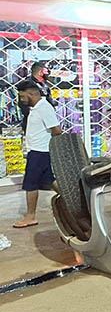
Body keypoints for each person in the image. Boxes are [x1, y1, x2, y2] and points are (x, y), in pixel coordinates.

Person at [14, 80, 61, 228]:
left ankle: (30, 216)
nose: (21, 100)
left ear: (32, 94)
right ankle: (76, 201)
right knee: (51, 180)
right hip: (37, 151)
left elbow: (56, 130)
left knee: (30, 184)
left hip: (40, 152)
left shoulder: (44, 108)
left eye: (23, 97)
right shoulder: (36, 108)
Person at [19, 61, 55, 133]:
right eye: (46, 71)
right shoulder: (27, 85)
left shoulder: (44, 85)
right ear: (40, 72)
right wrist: (33, 116)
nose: (48, 73)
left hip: (46, 121)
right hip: (33, 122)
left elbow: (49, 101)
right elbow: (23, 104)